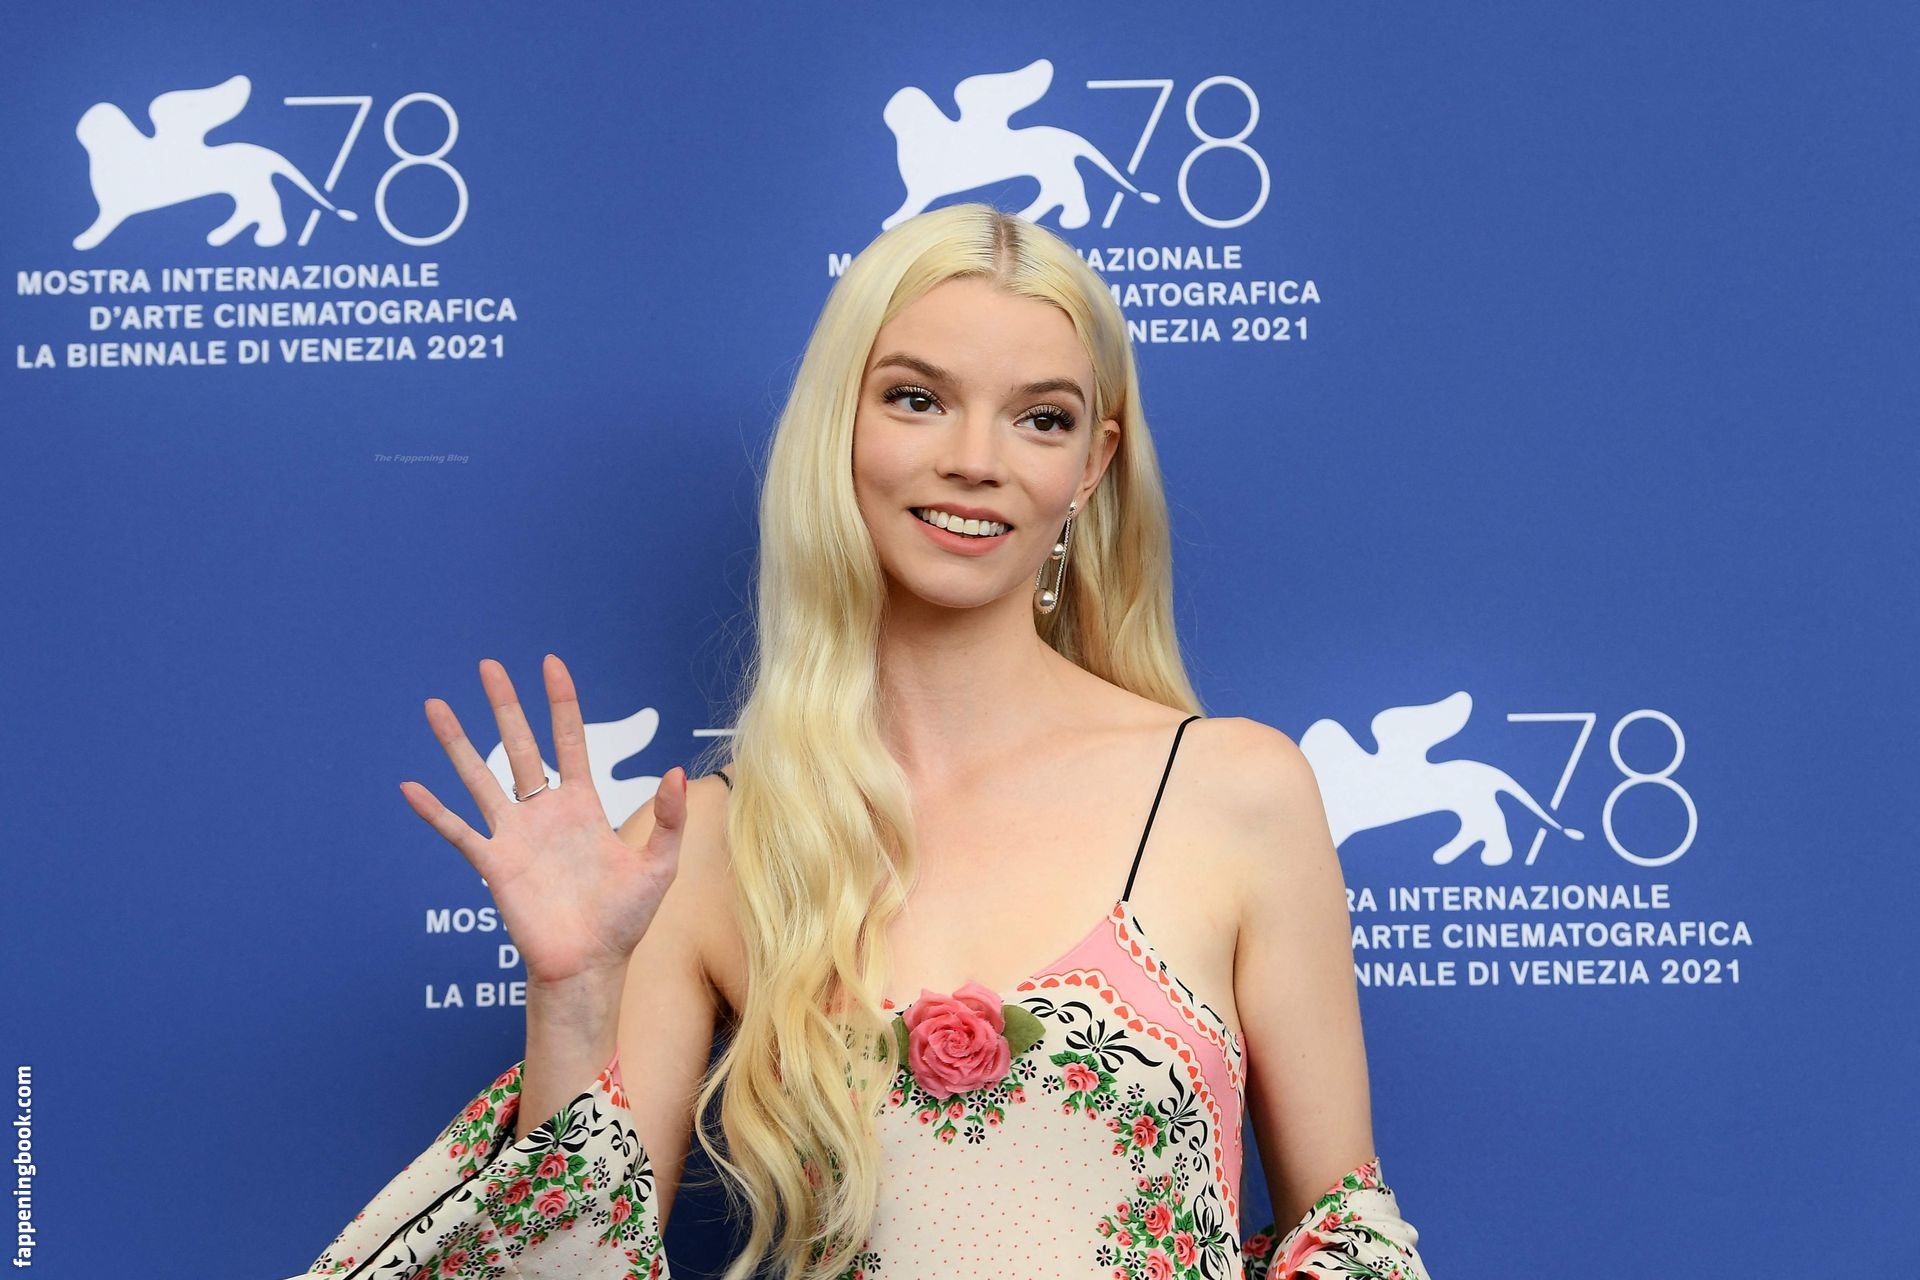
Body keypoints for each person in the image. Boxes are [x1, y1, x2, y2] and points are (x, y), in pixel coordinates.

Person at [296, 203, 1433, 1280]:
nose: (976, 458)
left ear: (1091, 465)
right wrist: (574, 994)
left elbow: (1344, 1236)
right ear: (839, 423)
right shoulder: (706, 844)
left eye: (1040, 417)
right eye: (917, 398)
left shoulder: (1235, 791)